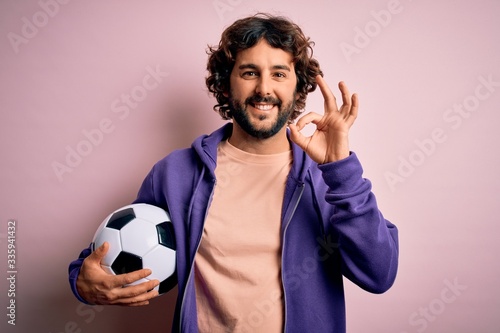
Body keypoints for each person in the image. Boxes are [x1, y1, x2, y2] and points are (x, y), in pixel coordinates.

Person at [68, 13, 399, 333]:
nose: (264, 88)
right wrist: (82, 282)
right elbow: (107, 251)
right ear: (226, 85)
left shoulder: (326, 179)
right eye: (249, 72)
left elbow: (379, 274)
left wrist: (339, 169)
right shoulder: (176, 174)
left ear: (298, 88)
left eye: (279, 74)